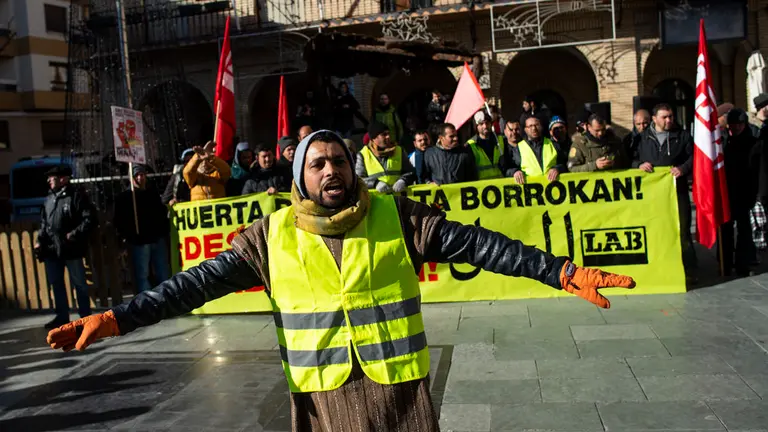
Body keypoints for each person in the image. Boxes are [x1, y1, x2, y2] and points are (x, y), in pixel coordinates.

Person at [46, 129, 635, 431]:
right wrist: (117, 317)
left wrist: (558, 270)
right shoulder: (268, 236)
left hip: (400, 397)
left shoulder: (394, 215)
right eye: (318, 163)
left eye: (340, 161)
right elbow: (191, 286)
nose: (332, 171)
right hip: (324, 401)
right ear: (301, 176)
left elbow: (477, 245)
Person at [631, 103, 696, 278]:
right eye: (664, 117)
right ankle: (658, 268)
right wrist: (638, 165)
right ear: (654, 119)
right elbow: (631, 158)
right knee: (655, 230)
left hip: (677, 192)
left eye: (671, 116)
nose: (668, 120)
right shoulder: (642, 138)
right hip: (651, 194)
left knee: (682, 231)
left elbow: (694, 157)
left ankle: (689, 270)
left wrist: (683, 168)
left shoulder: (682, 136)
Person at [35, 164, 96, 329]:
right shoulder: (50, 198)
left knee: (79, 284)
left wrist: (73, 235)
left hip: (71, 249)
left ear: (63, 179)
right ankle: (62, 316)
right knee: (56, 283)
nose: (49, 180)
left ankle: (85, 318)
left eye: (52, 177)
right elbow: (44, 222)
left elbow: (88, 219)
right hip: (52, 249)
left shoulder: (76, 196)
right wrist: (40, 239)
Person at [114, 164, 171, 293]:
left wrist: (162, 231)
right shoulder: (125, 197)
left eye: (142, 175)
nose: (140, 178)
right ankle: (147, 305)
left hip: (157, 238)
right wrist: (129, 236)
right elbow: (120, 221)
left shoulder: (152, 194)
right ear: (131, 178)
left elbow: (161, 214)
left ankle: (167, 301)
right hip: (140, 241)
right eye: (137, 175)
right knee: (142, 275)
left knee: (163, 272)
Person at [722, 108, 760, 276]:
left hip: (746, 192)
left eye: (739, 124)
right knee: (726, 229)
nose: (735, 128)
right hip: (727, 192)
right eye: (732, 125)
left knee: (744, 231)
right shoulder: (723, 143)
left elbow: (758, 171)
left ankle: (743, 263)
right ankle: (725, 262)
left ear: (744, 124)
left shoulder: (753, 143)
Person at [356, 121, 414, 193]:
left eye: (388, 133)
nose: (388, 137)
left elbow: (410, 172)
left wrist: (403, 180)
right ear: (374, 139)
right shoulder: (363, 155)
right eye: (384, 134)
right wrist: (375, 183)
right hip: (376, 201)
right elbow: (358, 180)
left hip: (398, 199)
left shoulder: (399, 150)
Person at [504, 117, 566, 184]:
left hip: (553, 189)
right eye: (530, 126)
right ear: (525, 130)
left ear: (541, 127)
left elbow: (564, 164)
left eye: (536, 125)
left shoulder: (553, 144)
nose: (534, 128)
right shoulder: (518, 148)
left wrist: (557, 169)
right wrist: (515, 172)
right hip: (531, 190)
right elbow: (509, 169)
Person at [466, 111, 504, 179]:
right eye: (481, 124)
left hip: (501, 185)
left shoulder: (501, 140)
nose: (485, 126)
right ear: (476, 126)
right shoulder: (471, 145)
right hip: (483, 186)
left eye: (487, 123)